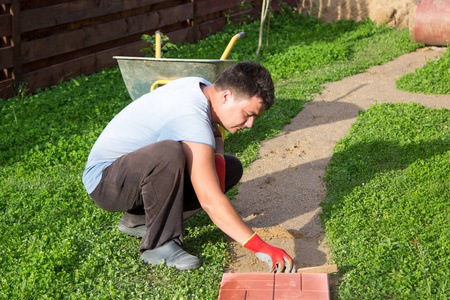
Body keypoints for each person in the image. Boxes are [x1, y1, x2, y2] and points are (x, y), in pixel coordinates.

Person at [82, 61, 295, 272]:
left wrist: (218, 158)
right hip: (106, 182)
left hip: (133, 174)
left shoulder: (202, 88)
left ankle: (138, 220)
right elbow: (210, 199)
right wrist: (258, 246)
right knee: (169, 153)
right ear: (227, 96)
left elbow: (213, 144)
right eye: (248, 114)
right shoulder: (190, 115)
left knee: (230, 168)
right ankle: (159, 244)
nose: (250, 124)